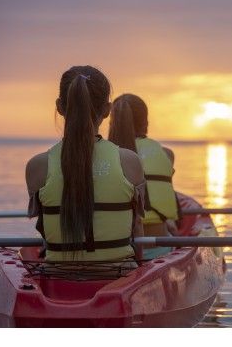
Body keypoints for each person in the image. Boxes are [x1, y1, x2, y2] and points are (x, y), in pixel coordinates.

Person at [25, 66, 145, 263]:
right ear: (107, 111)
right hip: (119, 277)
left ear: (60, 107)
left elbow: (45, 228)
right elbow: (137, 225)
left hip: (57, 277)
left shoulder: (37, 166)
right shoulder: (129, 161)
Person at [108, 93, 179, 260]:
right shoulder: (167, 154)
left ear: (112, 123)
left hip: (117, 251)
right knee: (171, 227)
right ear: (146, 123)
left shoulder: (104, 156)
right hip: (158, 248)